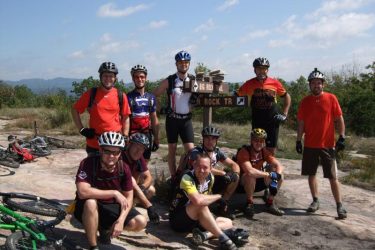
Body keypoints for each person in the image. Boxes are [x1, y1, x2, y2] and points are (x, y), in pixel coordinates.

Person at [74, 131, 147, 250]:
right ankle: (93, 246)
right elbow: (83, 192)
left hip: (110, 206)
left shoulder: (124, 168)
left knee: (140, 221)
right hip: (87, 207)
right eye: (107, 151)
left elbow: (128, 197)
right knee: (90, 202)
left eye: (116, 152)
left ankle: (105, 230)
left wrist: (121, 220)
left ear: (120, 153)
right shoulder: (88, 163)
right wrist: (114, 193)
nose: (111, 156)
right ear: (101, 150)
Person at [296, 68, 347, 219]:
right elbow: (301, 123)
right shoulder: (305, 102)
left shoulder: (331, 98)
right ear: (310, 85)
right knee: (311, 175)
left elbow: (339, 119)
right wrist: (299, 140)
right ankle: (315, 201)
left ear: (323, 85)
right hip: (310, 145)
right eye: (313, 83)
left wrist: (342, 136)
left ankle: (339, 205)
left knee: (332, 177)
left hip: (328, 145)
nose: (316, 86)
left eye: (319, 83)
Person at [169, 152, 245, 250]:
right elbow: (198, 201)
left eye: (205, 167)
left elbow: (205, 198)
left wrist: (209, 216)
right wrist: (218, 196)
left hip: (194, 220)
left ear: (210, 168)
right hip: (178, 220)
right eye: (199, 166)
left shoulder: (211, 178)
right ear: (194, 165)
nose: (201, 170)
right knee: (201, 203)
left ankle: (204, 235)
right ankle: (224, 239)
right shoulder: (187, 177)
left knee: (228, 222)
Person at [178, 126, 240, 219]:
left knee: (236, 177)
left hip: (207, 180)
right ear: (203, 139)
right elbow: (203, 169)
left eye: (213, 138)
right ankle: (207, 206)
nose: (210, 141)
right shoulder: (196, 152)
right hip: (193, 182)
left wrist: (235, 173)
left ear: (216, 140)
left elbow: (233, 164)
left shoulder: (217, 152)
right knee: (223, 176)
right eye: (207, 138)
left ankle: (223, 205)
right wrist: (223, 173)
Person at [72, 62, 131, 156]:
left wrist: (125, 135)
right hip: (95, 143)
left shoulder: (120, 95)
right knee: (93, 170)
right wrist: (81, 129)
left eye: (111, 76)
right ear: (100, 77)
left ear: (115, 78)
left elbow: (125, 116)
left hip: (114, 143)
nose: (108, 79)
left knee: (114, 170)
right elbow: (75, 110)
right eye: (105, 76)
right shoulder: (91, 93)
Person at [153, 50, 195, 180]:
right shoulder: (170, 80)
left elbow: (199, 98)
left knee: (191, 152)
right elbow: (153, 95)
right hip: (173, 120)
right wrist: (162, 109)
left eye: (186, 62)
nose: (183, 64)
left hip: (186, 120)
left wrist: (196, 101)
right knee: (172, 150)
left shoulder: (193, 80)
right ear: (176, 64)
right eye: (180, 62)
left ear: (189, 64)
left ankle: (184, 174)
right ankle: (173, 178)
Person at [237, 57, 291, 155]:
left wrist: (285, 114)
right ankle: (256, 168)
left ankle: (270, 169)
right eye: (259, 69)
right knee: (255, 147)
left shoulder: (274, 82)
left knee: (270, 149)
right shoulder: (249, 83)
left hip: (272, 119)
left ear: (267, 70)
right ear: (254, 70)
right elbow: (237, 94)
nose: (261, 71)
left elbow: (287, 96)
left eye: (264, 69)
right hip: (257, 119)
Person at [236, 128, 285, 218]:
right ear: (251, 140)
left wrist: (276, 177)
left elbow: (279, 165)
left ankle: (270, 203)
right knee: (250, 176)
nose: (259, 143)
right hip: (242, 183)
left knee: (281, 176)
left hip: (258, 179)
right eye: (256, 140)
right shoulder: (244, 151)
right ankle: (249, 203)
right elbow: (250, 171)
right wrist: (269, 174)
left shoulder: (264, 151)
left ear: (264, 142)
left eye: (261, 141)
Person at [121, 133, 160, 223]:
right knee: (132, 180)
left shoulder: (139, 157)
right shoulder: (121, 156)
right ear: (129, 145)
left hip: (132, 189)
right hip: (120, 190)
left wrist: (141, 188)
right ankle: (141, 205)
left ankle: (134, 203)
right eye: (137, 147)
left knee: (151, 190)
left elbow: (149, 177)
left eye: (142, 149)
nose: (139, 151)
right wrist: (148, 206)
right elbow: (130, 181)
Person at [127, 64, 160, 163]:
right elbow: (125, 119)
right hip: (132, 136)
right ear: (133, 79)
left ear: (146, 78)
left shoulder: (151, 97)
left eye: (142, 77)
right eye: (136, 77)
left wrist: (156, 138)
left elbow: (154, 118)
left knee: (144, 165)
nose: (139, 79)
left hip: (147, 135)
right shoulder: (128, 97)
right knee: (131, 164)